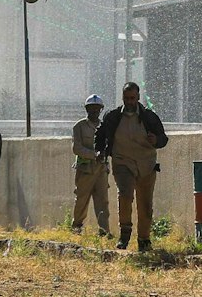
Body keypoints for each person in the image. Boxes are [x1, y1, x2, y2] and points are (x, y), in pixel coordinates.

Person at [95, 82, 168, 252]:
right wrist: (100, 151)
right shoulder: (113, 116)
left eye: (132, 98)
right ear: (122, 98)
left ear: (138, 97)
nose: (129, 102)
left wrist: (155, 140)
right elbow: (100, 134)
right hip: (122, 162)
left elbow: (163, 139)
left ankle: (144, 239)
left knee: (145, 205)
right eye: (126, 98)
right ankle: (125, 234)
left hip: (146, 164)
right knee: (125, 195)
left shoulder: (149, 117)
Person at [70, 94, 110, 236]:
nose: (94, 111)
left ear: (100, 110)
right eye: (91, 108)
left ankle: (104, 231)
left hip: (101, 170)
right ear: (86, 109)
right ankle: (76, 227)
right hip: (85, 170)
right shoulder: (79, 126)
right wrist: (94, 155)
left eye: (97, 109)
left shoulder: (105, 127)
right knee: (82, 199)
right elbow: (77, 148)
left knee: (102, 201)